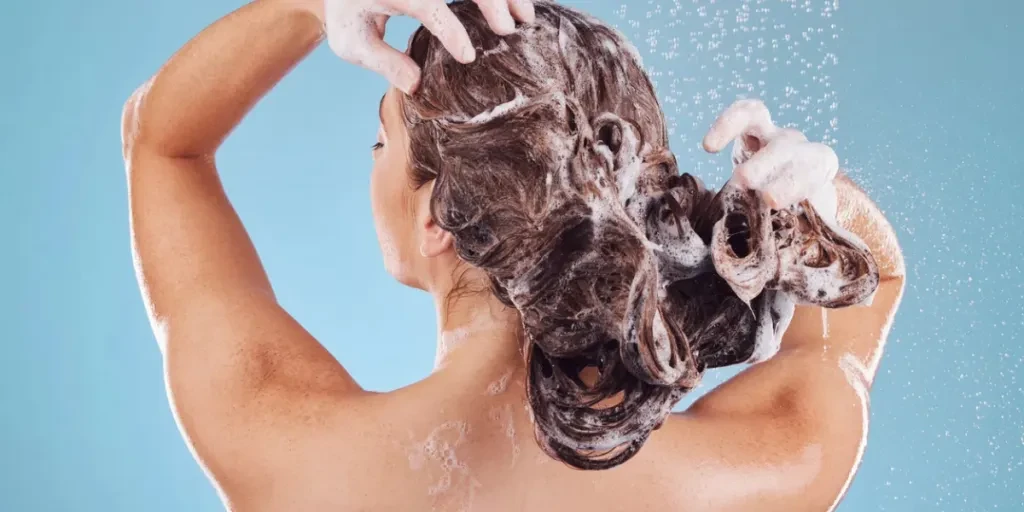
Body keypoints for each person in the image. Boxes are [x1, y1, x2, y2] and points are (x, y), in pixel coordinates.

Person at [120, 0, 906, 510]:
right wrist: (812, 213)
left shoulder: (292, 451)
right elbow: (877, 282)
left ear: (438, 217)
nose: (373, 157)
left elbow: (162, 145)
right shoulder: (751, 473)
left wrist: (311, 5)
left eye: (381, 139)